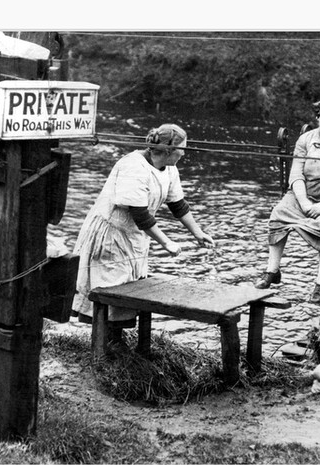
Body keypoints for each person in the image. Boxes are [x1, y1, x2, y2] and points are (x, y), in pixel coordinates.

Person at [71, 123, 215, 340]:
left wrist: (197, 232)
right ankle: (103, 347)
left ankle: (115, 344)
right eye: (181, 149)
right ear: (167, 150)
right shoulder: (133, 167)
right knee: (109, 289)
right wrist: (166, 242)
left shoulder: (169, 169)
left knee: (130, 288)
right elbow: (140, 215)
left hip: (134, 236)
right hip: (111, 234)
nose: (184, 154)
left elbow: (178, 204)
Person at [254, 96, 320, 304]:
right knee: (278, 216)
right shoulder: (306, 139)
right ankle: (272, 271)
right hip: (303, 192)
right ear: (318, 117)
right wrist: (303, 202)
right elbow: (296, 174)